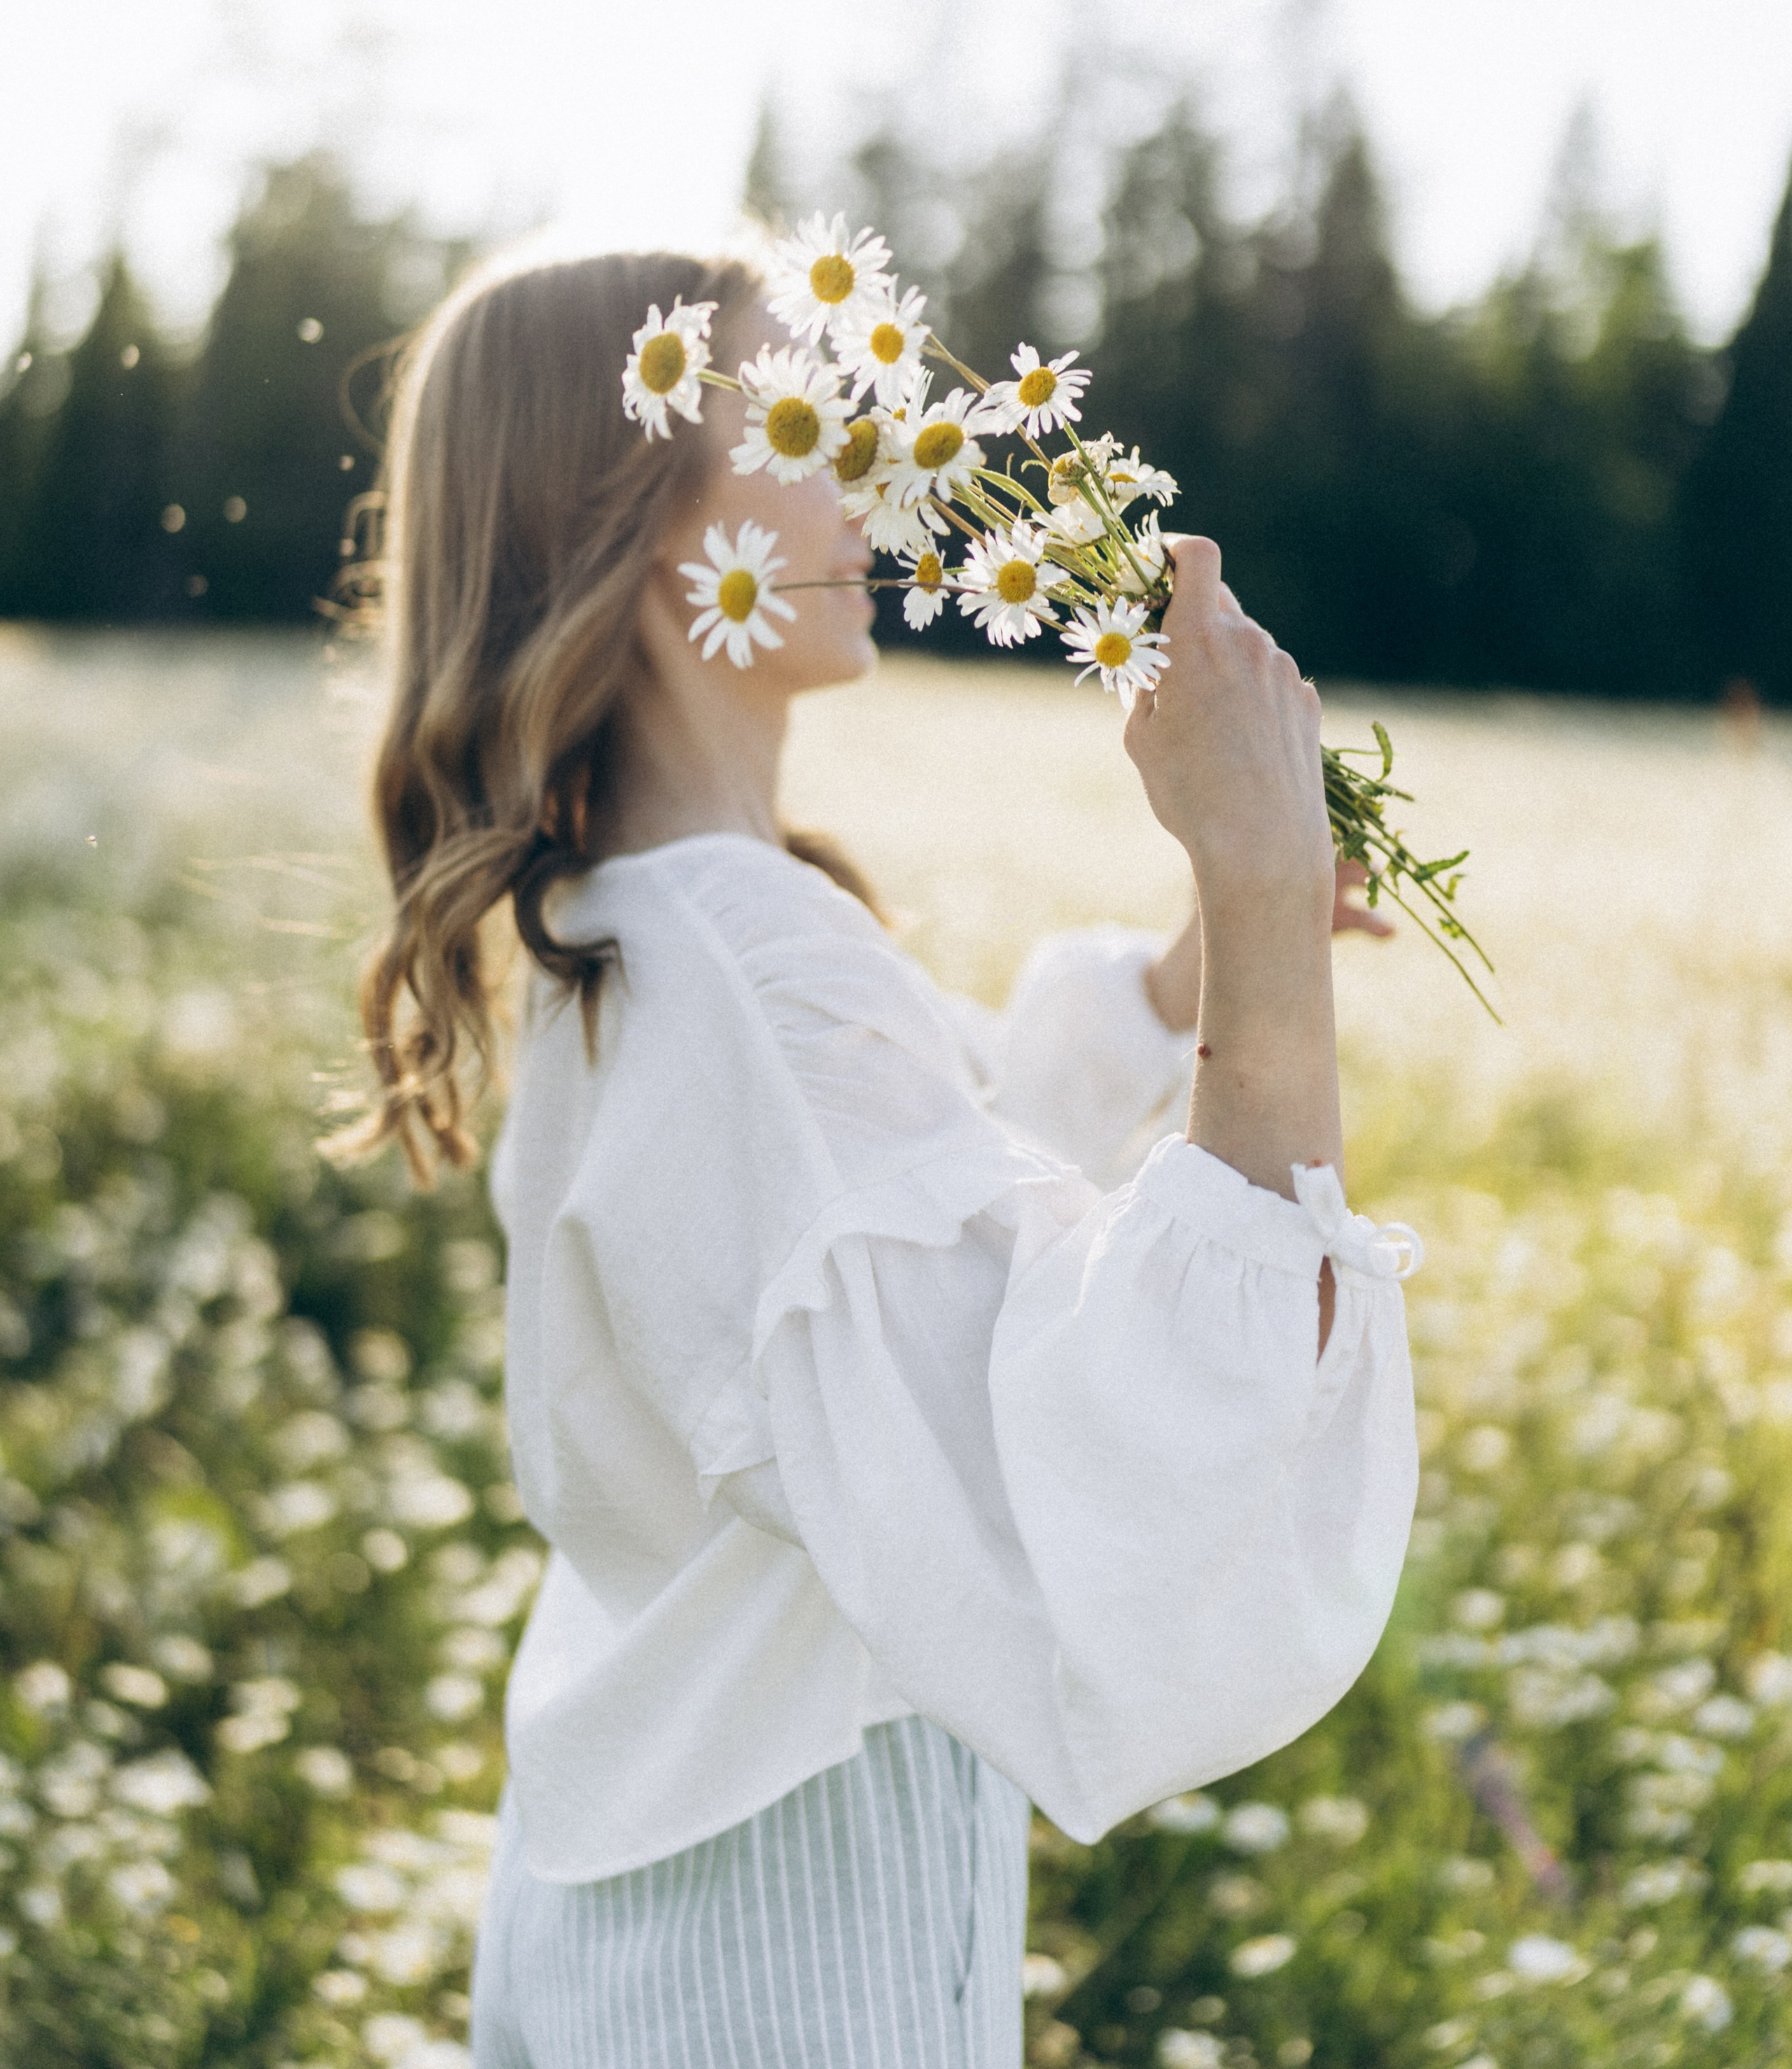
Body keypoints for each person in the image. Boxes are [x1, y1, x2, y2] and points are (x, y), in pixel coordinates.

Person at [342, 245, 1420, 2069]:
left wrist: (1184, 980)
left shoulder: (653, 931)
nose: (856, 445)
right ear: (660, 530)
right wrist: (1255, 908)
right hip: (777, 1958)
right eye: (788, 406)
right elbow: (1089, 1434)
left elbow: (910, 1222)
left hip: (637, 1905)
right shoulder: (746, 976)